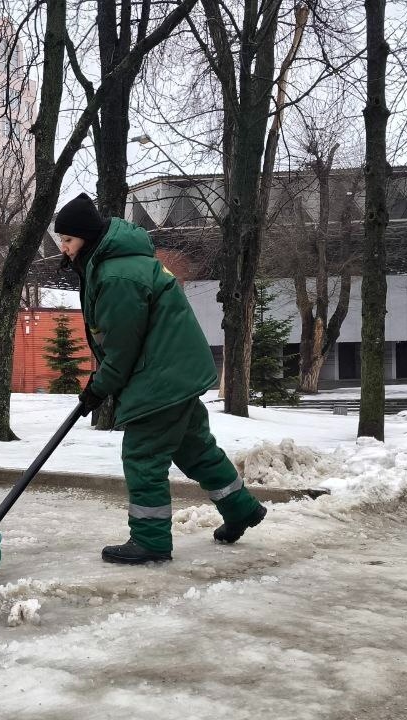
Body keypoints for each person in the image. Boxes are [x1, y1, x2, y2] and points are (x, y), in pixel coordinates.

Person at [54, 192, 267, 565]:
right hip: (175, 371)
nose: (65, 249)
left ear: (86, 237)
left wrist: (98, 389)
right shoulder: (121, 263)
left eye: (68, 241)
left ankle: (150, 540)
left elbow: (121, 348)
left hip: (160, 377)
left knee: (143, 456)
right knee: (196, 449)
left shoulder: (117, 275)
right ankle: (241, 509)